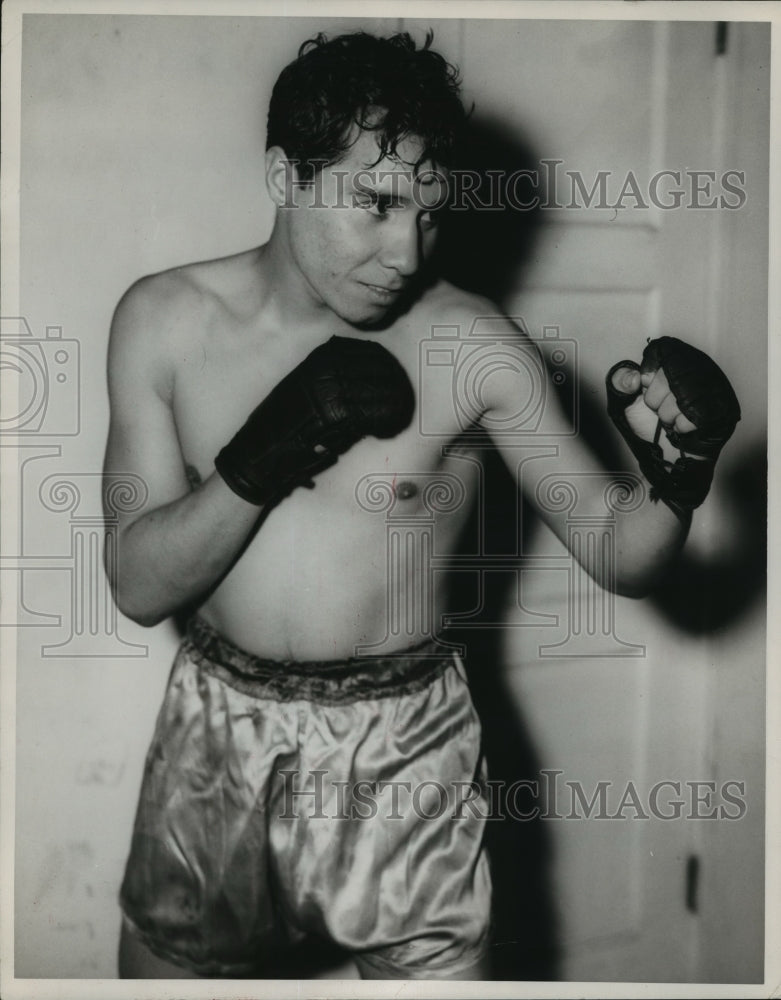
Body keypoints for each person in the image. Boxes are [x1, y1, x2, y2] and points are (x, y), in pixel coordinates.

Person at [103, 31, 740, 982]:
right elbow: (135, 585)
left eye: (430, 215)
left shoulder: (470, 342)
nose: (405, 251)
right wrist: (259, 460)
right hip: (217, 737)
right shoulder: (163, 322)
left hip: (406, 749)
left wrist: (676, 481)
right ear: (284, 174)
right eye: (376, 205)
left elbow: (620, 552)